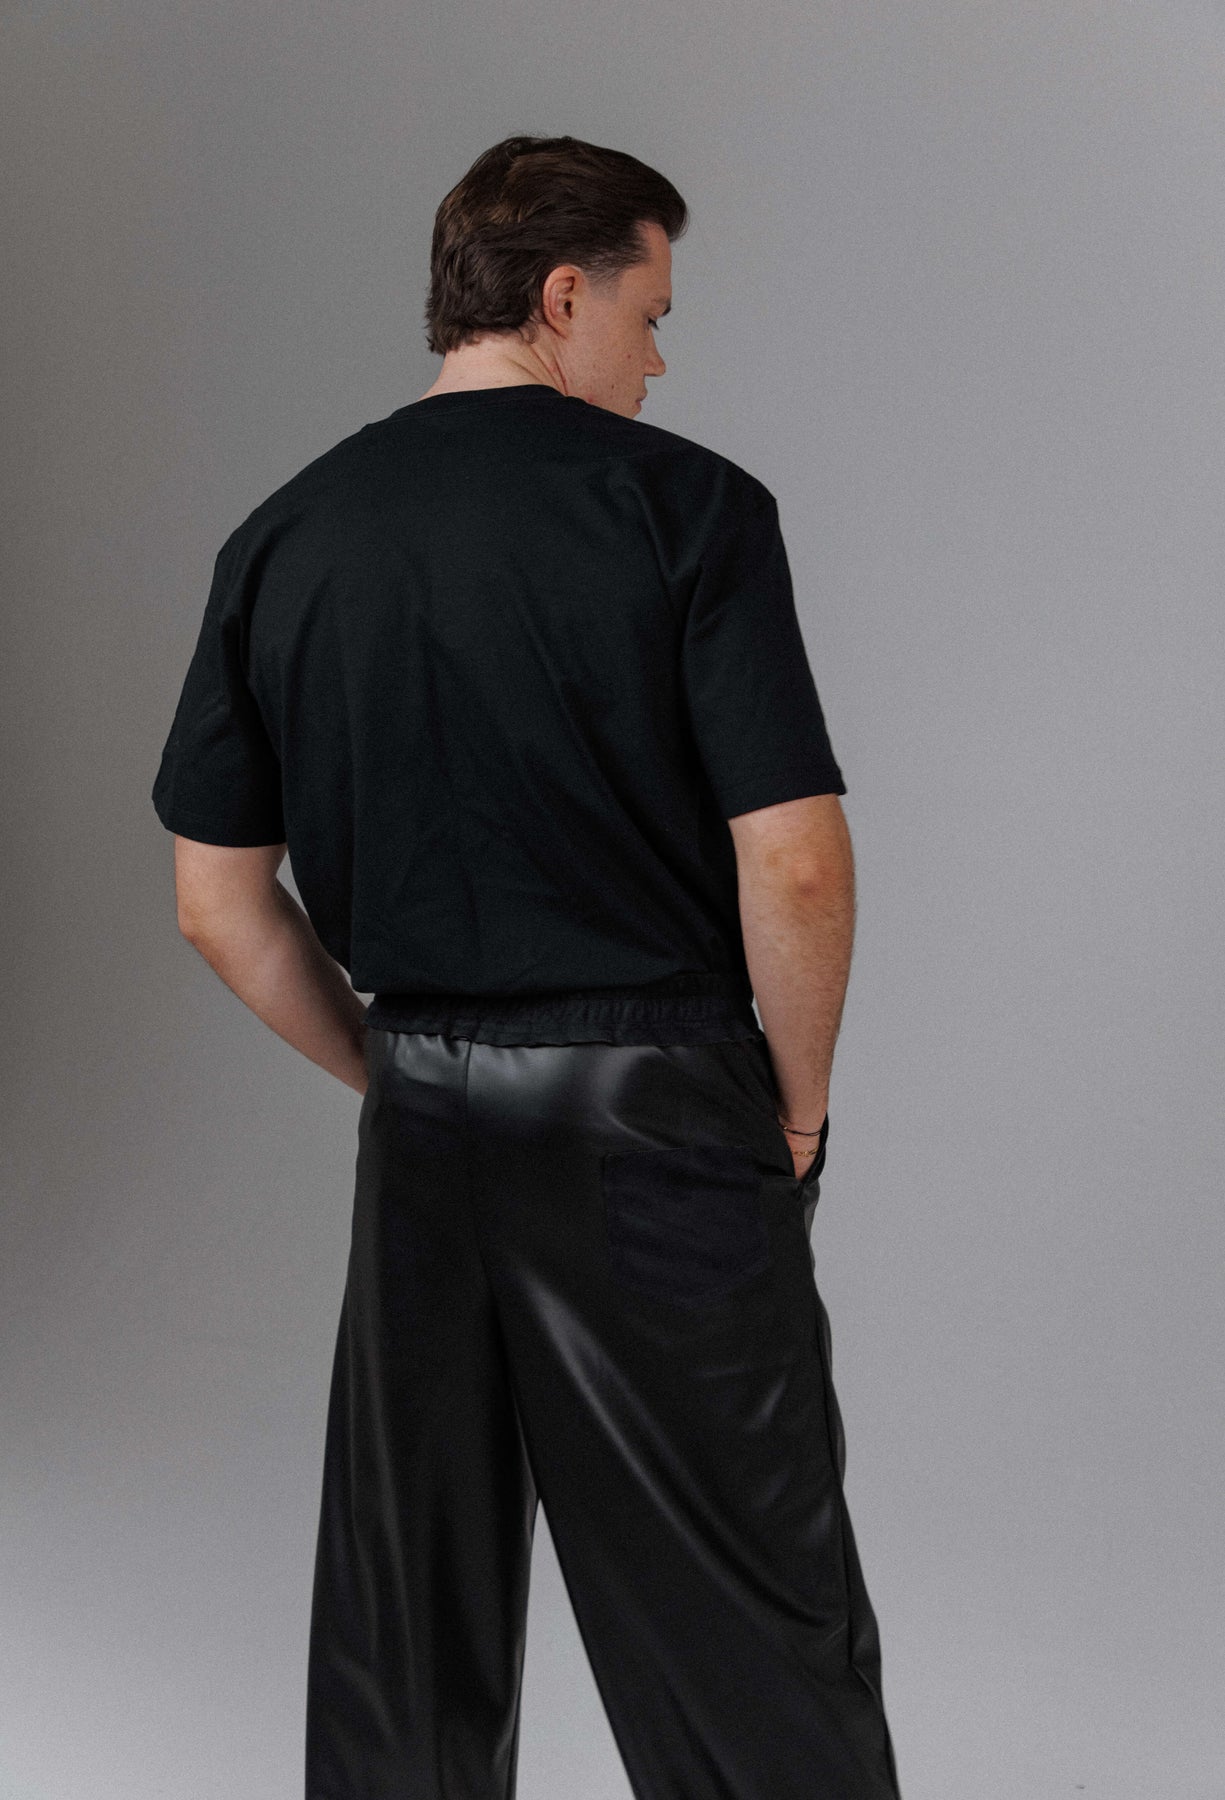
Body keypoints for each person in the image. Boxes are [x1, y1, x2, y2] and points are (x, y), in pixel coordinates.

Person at [151, 131, 903, 1800]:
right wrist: (793, 1112)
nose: (657, 357)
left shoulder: (286, 532)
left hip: (426, 1120)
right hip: (659, 1118)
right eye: (650, 312)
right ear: (564, 296)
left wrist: (405, 1075)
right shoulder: (685, 505)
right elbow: (791, 854)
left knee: (405, 1630)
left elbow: (217, 902)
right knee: (748, 1629)